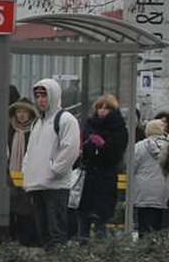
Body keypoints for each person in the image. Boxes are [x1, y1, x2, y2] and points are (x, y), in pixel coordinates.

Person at [22, 79, 81, 249]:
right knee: (43, 231)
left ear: (54, 95)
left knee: (56, 232)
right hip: (37, 183)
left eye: (44, 95)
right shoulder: (37, 122)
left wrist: (55, 170)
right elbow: (30, 152)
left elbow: (70, 148)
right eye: (38, 96)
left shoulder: (65, 119)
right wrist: (28, 171)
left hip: (55, 185)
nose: (40, 100)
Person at [78, 94, 129, 240]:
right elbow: (84, 151)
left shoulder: (119, 128)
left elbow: (117, 155)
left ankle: (103, 249)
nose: (102, 111)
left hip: (106, 177)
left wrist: (104, 146)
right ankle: (83, 244)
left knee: (101, 217)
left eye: (106, 108)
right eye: (100, 107)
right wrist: (87, 147)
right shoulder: (90, 124)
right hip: (88, 177)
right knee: (84, 216)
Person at [130, 119, 169, 237]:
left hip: (144, 193)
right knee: (162, 227)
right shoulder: (167, 146)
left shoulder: (139, 147)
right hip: (165, 192)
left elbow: (132, 167)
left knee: (145, 227)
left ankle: (145, 251)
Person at [8, 98, 38, 246]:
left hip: (29, 175)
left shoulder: (36, 130)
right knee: (10, 207)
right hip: (10, 176)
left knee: (26, 210)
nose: (21, 115)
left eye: (24, 112)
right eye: (18, 111)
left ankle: (26, 240)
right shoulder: (9, 129)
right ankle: (11, 239)